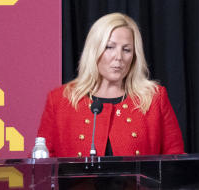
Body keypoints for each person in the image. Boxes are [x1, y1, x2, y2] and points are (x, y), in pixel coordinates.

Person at [37, 12, 184, 157]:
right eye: (109, 47)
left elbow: (175, 161)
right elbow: (42, 166)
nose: (118, 57)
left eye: (126, 50)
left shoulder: (154, 98)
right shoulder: (60, 100)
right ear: (94, 51)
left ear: (134, 57)